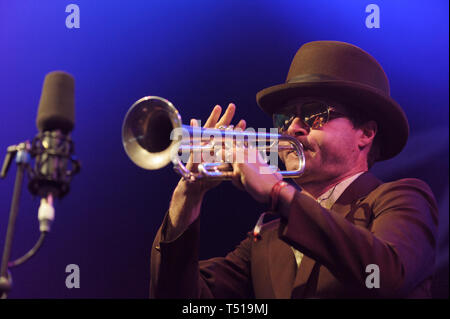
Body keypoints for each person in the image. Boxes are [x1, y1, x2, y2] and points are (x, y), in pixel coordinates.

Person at [149, 41, 438, 298]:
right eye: (286, 118)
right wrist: (188, 195)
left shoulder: (402, 198)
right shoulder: (267, 238)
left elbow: (385, 277)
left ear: (365, 132)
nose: (293, 128)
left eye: (315, 114)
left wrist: (278, 191)